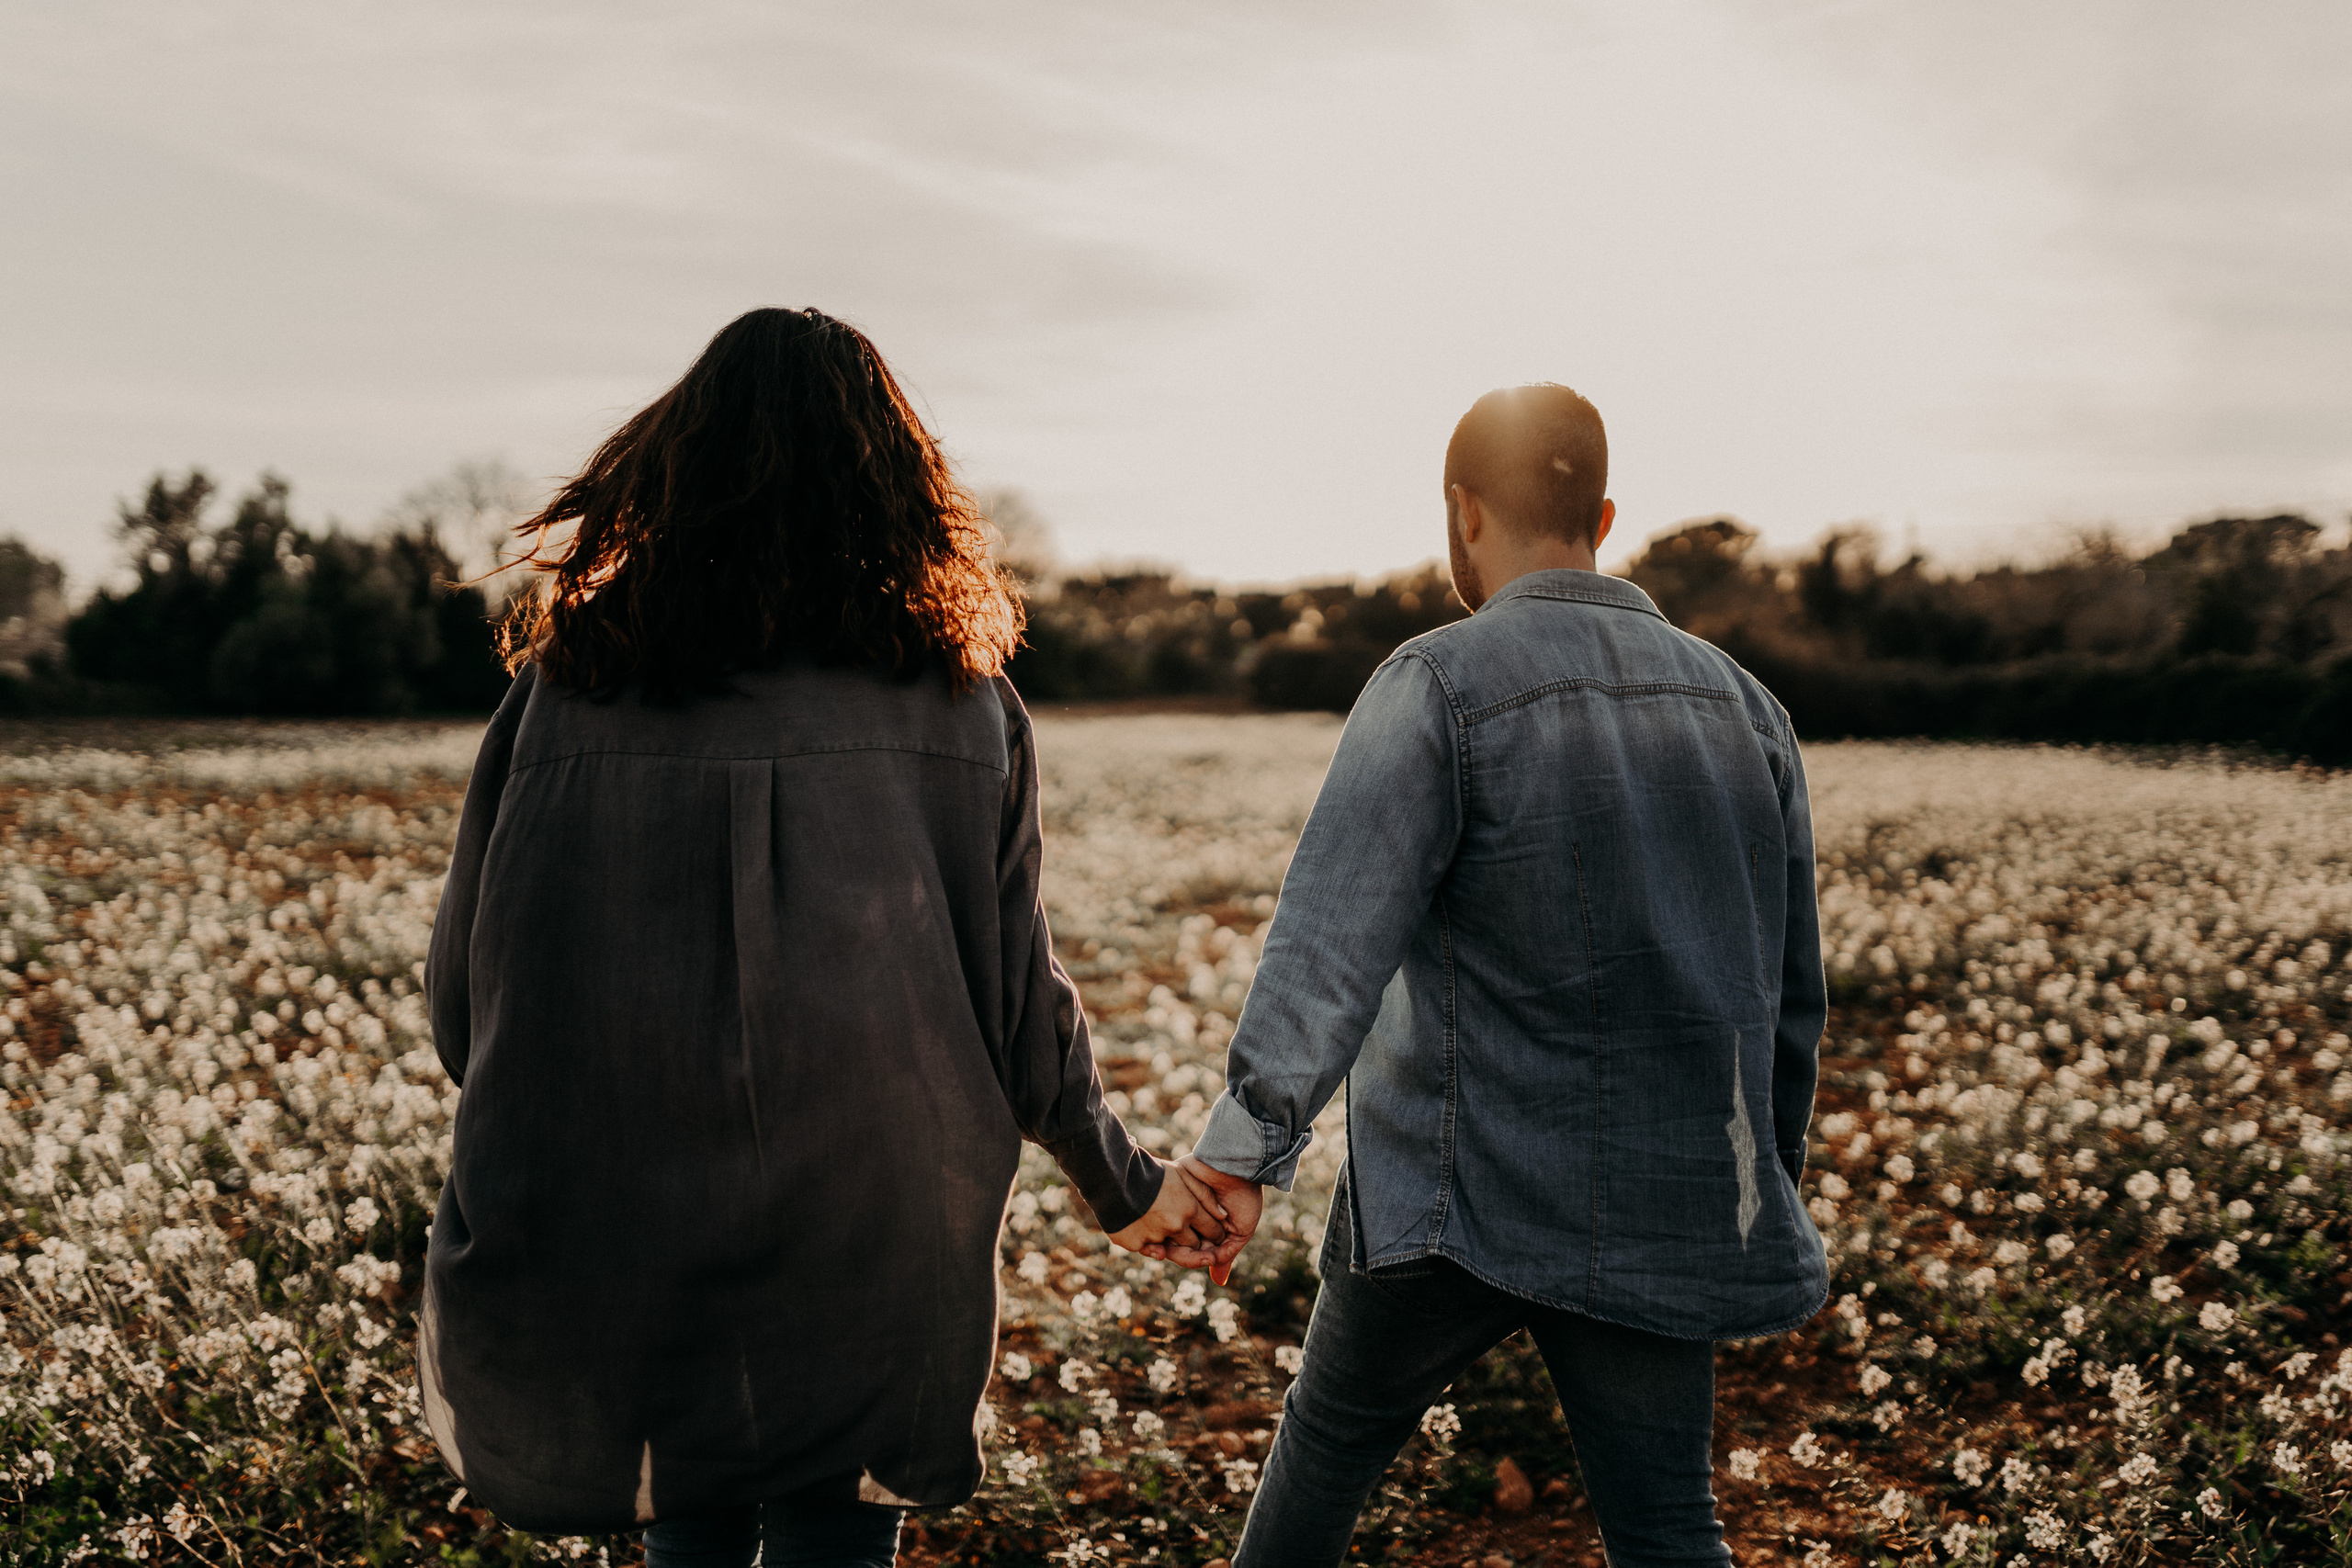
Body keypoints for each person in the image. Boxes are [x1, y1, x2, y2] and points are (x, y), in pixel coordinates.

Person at [418, 307, 1226, 1568]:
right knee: (837, 1530)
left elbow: (466, 990)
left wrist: (570, 1129)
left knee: (686, 1516)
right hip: (879, 1200)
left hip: (643, 1194)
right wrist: (1123, 1187)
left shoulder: (567, 684)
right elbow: (1022, 1000)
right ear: (891, 483)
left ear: (673, 467)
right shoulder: (963, 702)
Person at [1181, 384, 1828, 1568]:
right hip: (1664, 1190)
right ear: (1606, 514)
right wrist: (1753, 1182)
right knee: (1671, 1527)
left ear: (1462, 511)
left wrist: (1240, 1151)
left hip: (1451, 1195)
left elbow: (1332, 941)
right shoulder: (1749, 711)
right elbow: (1788, 998)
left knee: (1320, 1475)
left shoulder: (1435, 682)